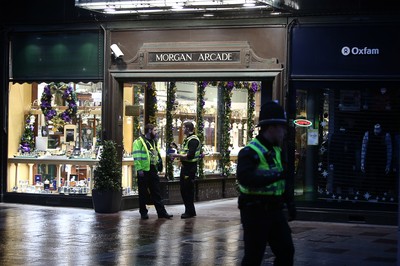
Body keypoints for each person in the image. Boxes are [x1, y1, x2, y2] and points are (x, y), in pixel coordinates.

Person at [236, 100, 296, 266]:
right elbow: (245, 179)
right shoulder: (249, 152)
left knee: (286, 251)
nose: (285, 131)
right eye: (282, 127)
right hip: (255, 212)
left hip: (275, 210)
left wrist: (290, 204)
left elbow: (282, 181)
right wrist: (275, 175)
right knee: (253, 257)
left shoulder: (277, 150)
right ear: (271, 127)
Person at [132, 123, 173, 220]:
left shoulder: (154, 142)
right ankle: (143, 213)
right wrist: (139, 169)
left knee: (156, 192)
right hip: (143, 171)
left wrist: (158, 165)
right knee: (143, 193)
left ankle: (161, 212)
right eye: (155, 130)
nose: (156, 132)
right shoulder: (139, 142)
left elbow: (154, 155)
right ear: (149, 131)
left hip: (152, 170)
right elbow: (136, 156)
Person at [169, 121, 201, 219]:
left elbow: (190, 156)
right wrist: (177, 151)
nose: (182, 130)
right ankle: (190, 211)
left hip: (190, 168)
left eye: (183, 128)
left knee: (187, 190)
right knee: (184, 190)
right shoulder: (188, 139)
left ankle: (189, 212)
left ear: (188, 129)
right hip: (186, 167)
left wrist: (176, 155)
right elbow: (185, 153)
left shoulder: (193, 140)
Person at [361, 123, 392, 195]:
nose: (376, 131)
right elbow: (363, 149)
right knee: (371, 178)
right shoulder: (367, 134)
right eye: (375, 128)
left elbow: (389, 151)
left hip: (381, 162)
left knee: (380, 179)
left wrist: (388, 165)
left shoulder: (386, 135)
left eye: (378, 129)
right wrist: (362, 163)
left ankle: (379, 195)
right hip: (370, 162)